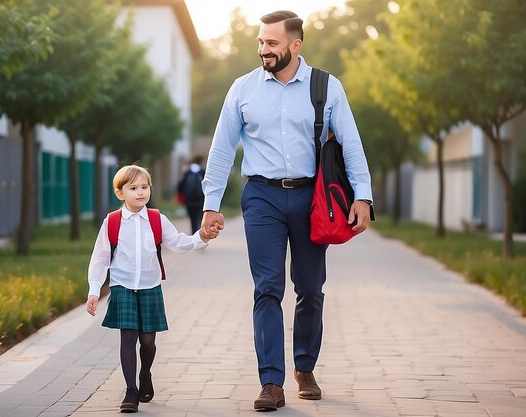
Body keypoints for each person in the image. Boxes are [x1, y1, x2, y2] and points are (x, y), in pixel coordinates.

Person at [200, 10, 373, 412]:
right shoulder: (242, 89)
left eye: (272, 43)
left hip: (312, 198)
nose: (264, 49)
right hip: (261, 197)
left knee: (310, 288)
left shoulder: (326, 87)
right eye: (261, 42)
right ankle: (271, 382)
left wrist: (363, 196)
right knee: (267, 288)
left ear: (295, 45)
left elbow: (351, 144)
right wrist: (211, 205)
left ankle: (305, 368)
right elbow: (222, 149)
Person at [86, 164, 218, 413]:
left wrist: (201, 237)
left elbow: (178, 243)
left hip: (150, 285)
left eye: (144, 187)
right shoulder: (112, 222)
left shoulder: (157, 219)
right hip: (122, 285)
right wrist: (94, 290)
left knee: (148, 342)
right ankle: (131, 390)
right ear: (120, 193)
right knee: (128, 337)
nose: (140, 192)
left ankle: (145, 373)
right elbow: (100, 257)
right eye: (133, 188)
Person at [177, 155, 206, 233]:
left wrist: (180, 195)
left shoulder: (187, 171)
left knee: (192, 218)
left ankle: (194, 233)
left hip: (189, 200)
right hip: (200, 199)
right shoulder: (202, 171)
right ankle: (199, 233)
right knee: (199, 217)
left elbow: (181, 184)